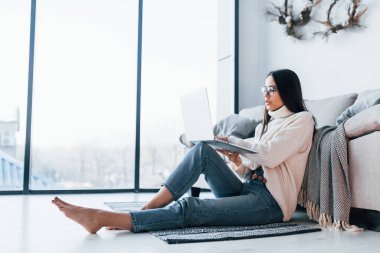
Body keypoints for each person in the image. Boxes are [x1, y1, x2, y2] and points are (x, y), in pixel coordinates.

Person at [52, 69, 315, 234]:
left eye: (272, 89)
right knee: (202, 150)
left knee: (192, 206)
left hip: (271, 204)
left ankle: (105, 218)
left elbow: (269, 155)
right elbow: (255, 168)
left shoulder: (302, 121)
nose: (266, 95)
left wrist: (238, 142)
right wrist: (237, 161)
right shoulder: (266, 125)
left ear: (287, 91)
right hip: (250, 189)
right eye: (264, 89)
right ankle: (148, 207)